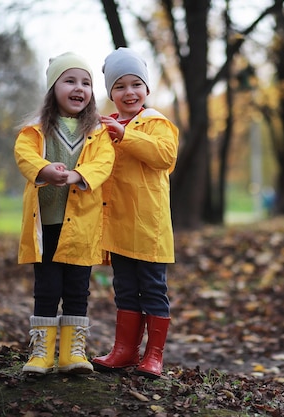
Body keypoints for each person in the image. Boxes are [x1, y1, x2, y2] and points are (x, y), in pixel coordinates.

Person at [14, 52, 115, 375]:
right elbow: (24, 156)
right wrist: (45, 169)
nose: (79, 88)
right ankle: (42, 353)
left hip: (83, 226)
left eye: (86, 83)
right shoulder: (36, 130)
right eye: (69, 80)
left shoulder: (97, 132)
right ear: (52, 88)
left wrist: (76, 175)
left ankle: (73, 353)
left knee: (77, 288)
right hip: (47, 223)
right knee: (46, 287)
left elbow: (103, 163)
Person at [91, 47, 179, 379]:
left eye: (135, 85)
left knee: (153, 287)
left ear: (146, 90)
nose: (129, 92)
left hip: (149, 226)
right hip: (118, 225)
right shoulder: (105, 127)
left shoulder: (156, 122)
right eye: (120, 86)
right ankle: (125, 350)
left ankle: (153, 356)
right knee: (125, 288)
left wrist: (127, 135)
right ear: (110, 93)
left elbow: (164, 157)